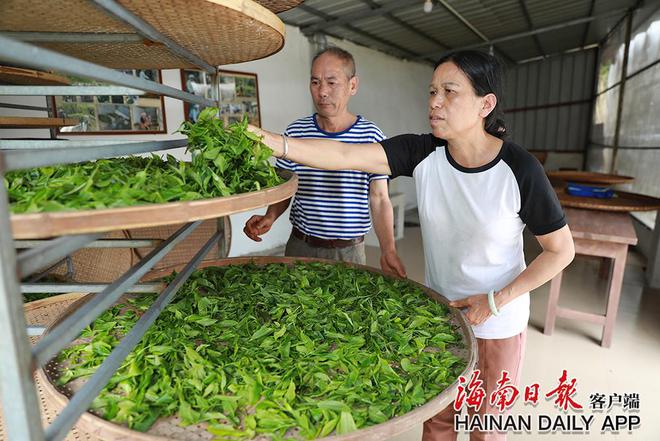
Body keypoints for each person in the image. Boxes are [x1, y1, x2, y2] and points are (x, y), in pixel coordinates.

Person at [248, 50, 575, 440]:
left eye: (449, 92)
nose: (434, 102)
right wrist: (276, 143)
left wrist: (494, 300)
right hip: (441, 318)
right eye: (432, 91)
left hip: (498, 322)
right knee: (437, 421)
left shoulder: (520, 169)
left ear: (485, 104)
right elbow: (342, 154)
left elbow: (561, 251)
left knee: (487, 426)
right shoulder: (422, 153)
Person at [243, 47, 406, 277]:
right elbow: (286, 186)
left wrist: (388, 249)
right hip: (301, 244)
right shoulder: (296, 132)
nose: (322, 92)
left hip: (348, 251)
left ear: (353, 86)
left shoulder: (370, 136)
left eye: (332, 83)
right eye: (315, 82)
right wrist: (270, 216)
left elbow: (379, 198)